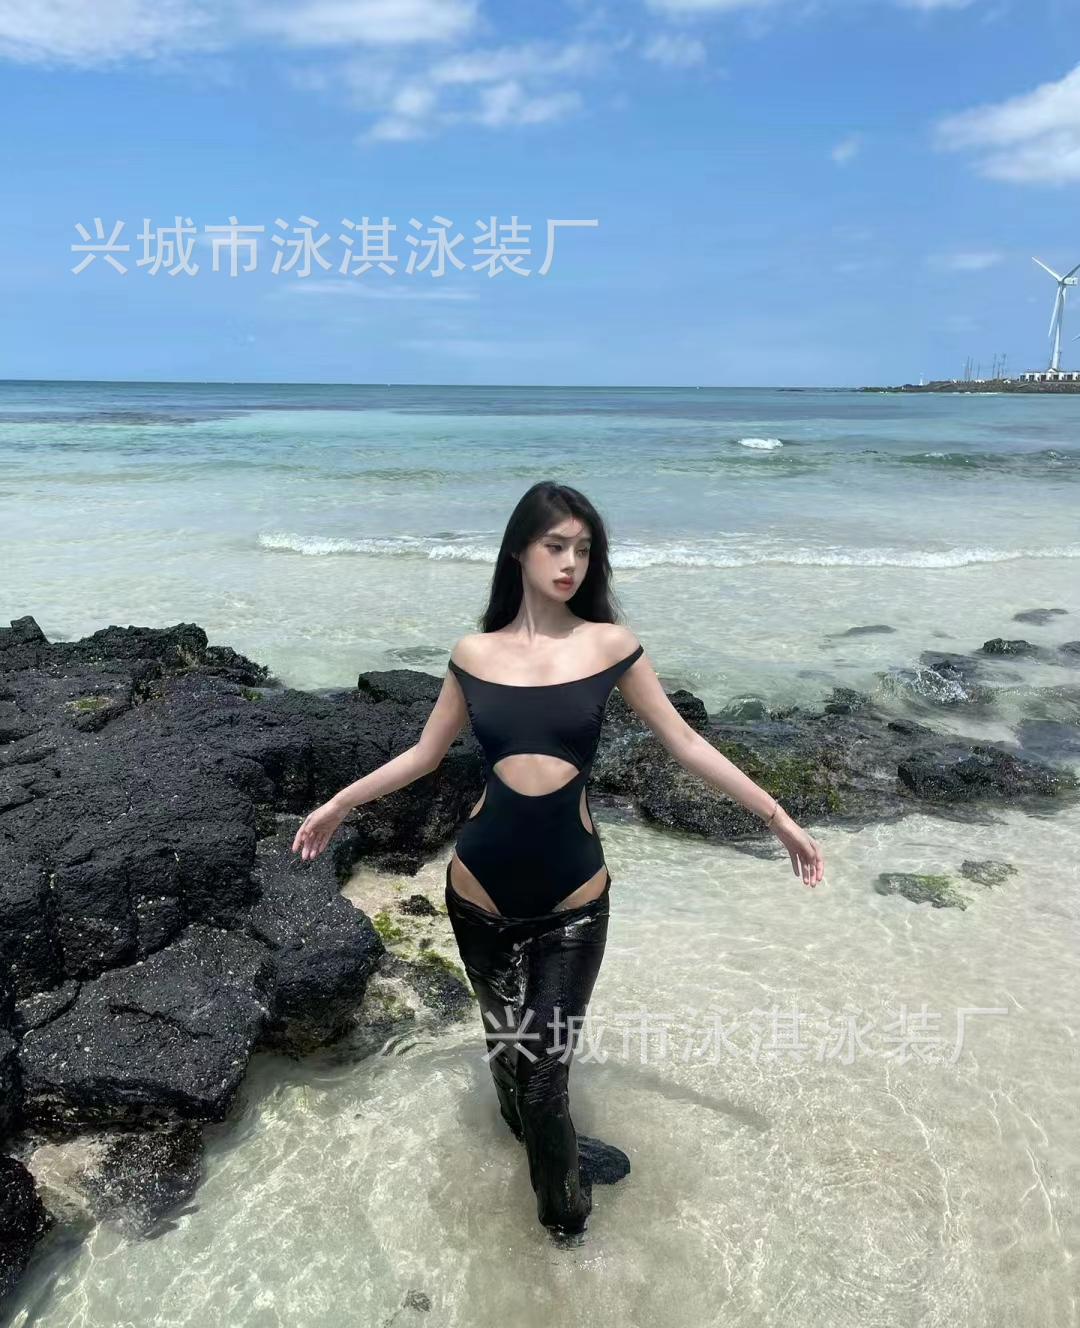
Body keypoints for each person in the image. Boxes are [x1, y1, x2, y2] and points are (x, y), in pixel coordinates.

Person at [292, 480, 825, 1246]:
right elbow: (424, 754)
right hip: (477, 893)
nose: (571, 562)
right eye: (556, 546)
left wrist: (778, 818)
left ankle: (564, 1231)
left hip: (573, 901)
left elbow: (686, 743)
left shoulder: (609, 645)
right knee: (507, 1045)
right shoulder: (473, 655)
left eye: (583, 549)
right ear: (520, 551)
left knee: (545, 1071)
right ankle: (534, 1134)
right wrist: (340, 803)